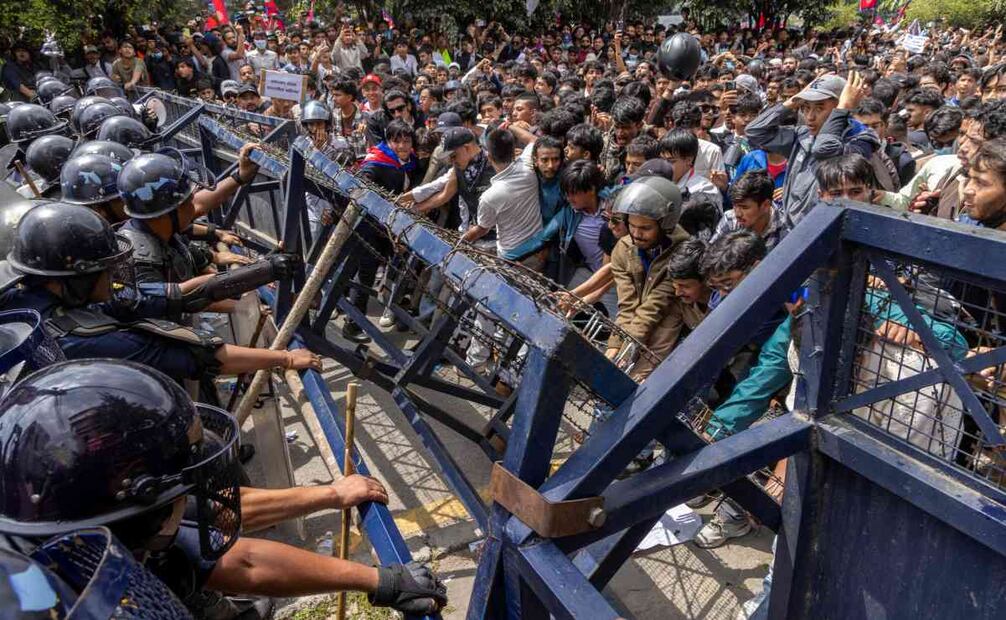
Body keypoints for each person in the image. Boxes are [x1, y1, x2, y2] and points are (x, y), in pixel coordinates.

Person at [0, 359, 448, 617]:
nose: (192, 500)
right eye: (181, 491)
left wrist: (381, 579)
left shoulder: (86, 533)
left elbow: (241, 560)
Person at [746, 71, 877, 229]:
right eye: (805, 108)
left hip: (825, 232)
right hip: (791, 229)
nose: (810, 117)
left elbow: (823, 149)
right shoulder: (802, 135)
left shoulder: (859, 139)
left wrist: (843, 110)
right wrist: (795, 100)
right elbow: (755, 131)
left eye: (819, 108)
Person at [604, 174, 689, 381]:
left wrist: (627, 348)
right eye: (632, 226)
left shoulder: (682, 252)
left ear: (665, 223)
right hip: (636, 322)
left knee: (640, 379)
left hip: (669, 318)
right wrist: (615, 345)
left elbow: (656, 305)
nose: (636, 233)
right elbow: (627, 304)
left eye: (645, 228)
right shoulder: (624, 249)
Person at [713, 170, 787, 250]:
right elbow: (711, 255)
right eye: (735, 206)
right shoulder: (730, 220)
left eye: (744, 207)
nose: (738, 214)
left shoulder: (785, 229)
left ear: (765, 205)